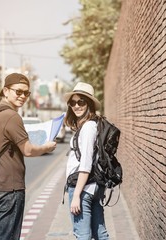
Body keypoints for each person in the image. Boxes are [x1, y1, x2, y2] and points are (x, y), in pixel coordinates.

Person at [0, 73, 57, 240]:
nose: (23, 96)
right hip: (10, 188)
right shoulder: (12, 116)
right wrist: (46, 147)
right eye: (18, 92)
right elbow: (28, 150)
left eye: (26, 93)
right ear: (5, 91)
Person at [64, 82, 110, 239]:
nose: (76, 106)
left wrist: (76, 194)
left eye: (81, 102)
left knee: (82, 235)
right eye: (73, 102)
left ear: (89, 104)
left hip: (83, 188)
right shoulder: (87, 126)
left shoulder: (88, 127)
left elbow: (86, 164)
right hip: (92, 187)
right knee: (100, 234)